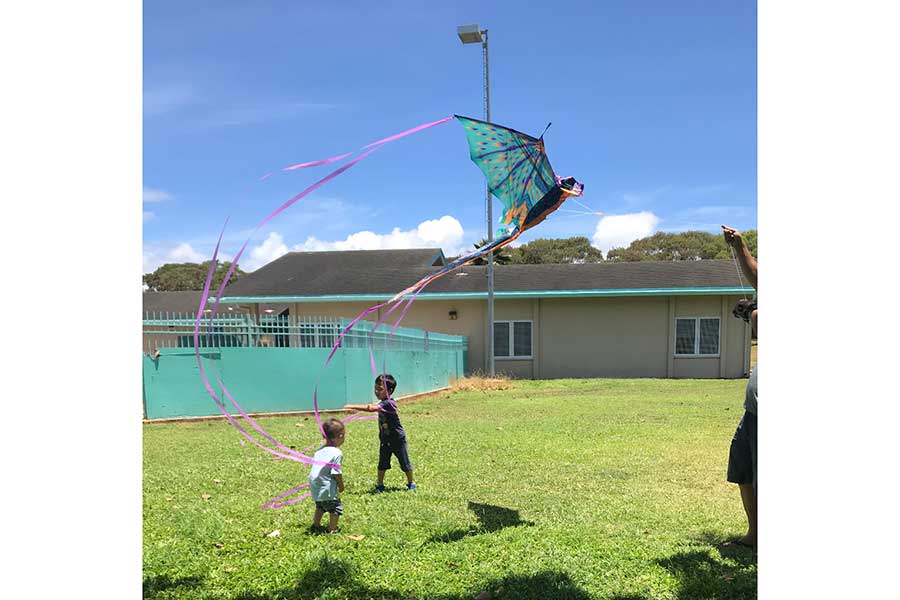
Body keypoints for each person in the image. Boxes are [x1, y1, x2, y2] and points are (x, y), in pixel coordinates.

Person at [722, 224, 758, 549]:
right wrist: (739, 247)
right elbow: (757, 274)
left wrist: (755, 314)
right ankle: (755, 535)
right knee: (743, 467)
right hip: (754, 409)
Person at [344, 374, 416, 492]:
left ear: (390, 391)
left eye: (380, 389)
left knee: (404, 462)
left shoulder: (389, 403)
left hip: (397, 439)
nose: (376, 391)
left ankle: (411, 483)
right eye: (375, 388)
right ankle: (380, 484)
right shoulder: (382, 402)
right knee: (382, 463)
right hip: (385, 439)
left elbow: (370, 408)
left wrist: (352, 406)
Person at [308, 418, 345, 533]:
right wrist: (341, 485)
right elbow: (336, 473)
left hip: (314, 485)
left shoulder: (319, 451)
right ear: (340, 436)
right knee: (335, 509)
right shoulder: (337, 453)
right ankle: (332, 529)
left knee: (320, 506)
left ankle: (316, 525)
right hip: (326, 486)